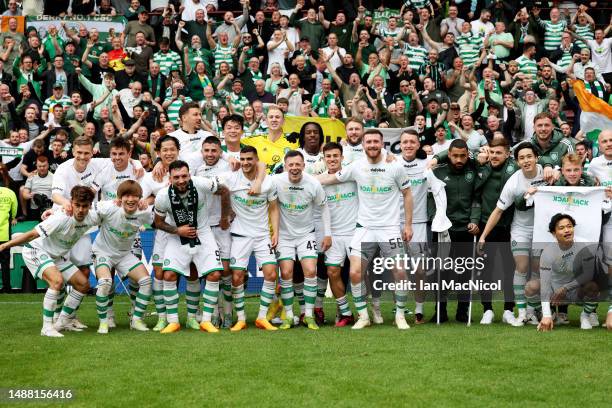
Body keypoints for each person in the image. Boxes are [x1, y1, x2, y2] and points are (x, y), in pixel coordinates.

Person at [318, 130, 413, 330]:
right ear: (363, 145)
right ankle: (363, 316)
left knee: (400, 272)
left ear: (382, 143)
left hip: (390, 229)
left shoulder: (394, 166)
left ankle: (401, 315)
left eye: (375, 142)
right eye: (368, 141)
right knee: (355, 273)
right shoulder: (356, 166)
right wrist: (302, 179)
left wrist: (408, 225)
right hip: (364, 228)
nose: (372, 145)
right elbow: (330, 178)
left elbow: (407, 194)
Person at [0, 186, 97, 337]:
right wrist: (6, 245)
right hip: (36, 250)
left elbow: (112, 208)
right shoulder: (61, 218)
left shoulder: (93, 216)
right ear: (71, 202)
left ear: (90, 205)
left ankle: (63, 321)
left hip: (57, 256)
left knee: (83, 284)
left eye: (85, 206)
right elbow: (32, 234)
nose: (80, 210)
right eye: (77, 205)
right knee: (57, 282)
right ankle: (47, 327)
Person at [153, 160, 230, 334]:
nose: (181, 180)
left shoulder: (202, 183)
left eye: (184, 176)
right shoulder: (163, 196)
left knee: (215, 274)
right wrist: (176, 230)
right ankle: (173, 321)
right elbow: (157, 222)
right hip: (177, 235)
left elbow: (224, 191)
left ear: (189, 174)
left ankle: (205, 320)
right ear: (170, 178)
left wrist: (225, 217)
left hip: (202, 232)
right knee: (169, 274)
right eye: (176, 177)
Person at [479, 142, 548, 326]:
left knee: (536, 270)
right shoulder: (514, 181)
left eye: (529, 156)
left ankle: (534, 311)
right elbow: (498, 210)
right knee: (522, 267)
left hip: (543, 229)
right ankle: (522, 312)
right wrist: (484, 235)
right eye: (522, 158)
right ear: (517, 161)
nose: (526, 161)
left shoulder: (547, 172)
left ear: (536, 158)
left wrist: (555, 171)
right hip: (521, 229)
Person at [223, 146, 280, 331]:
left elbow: (273, 208)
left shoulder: (268, 182)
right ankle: (240, 318)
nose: (246, 163)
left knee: (271, 273)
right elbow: (218, 193)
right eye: (243, 159)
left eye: (249, 159)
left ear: (256, 160)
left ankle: (262, 317)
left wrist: (275, 232)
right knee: (237, 276)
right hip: (240, 235)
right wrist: (226, 213)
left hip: (263, 234)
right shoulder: (231, 179)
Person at [272, 150, 331, 330]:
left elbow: (324, 207)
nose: (295, 168)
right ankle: (289, 316)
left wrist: (327, 233)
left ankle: (309, 315)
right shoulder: (276, 181)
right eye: (291, 165)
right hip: (285, 235)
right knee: (287, 273)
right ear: (285, 166)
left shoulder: (313, 183)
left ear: (304, 166)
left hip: (306, 234)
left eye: (298, 164)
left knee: (311, 271)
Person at [92, 180, 153, 334]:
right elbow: (84, 209)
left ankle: (136, 319)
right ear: (119, 198)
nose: (131, 199)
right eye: (126, 196)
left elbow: (161, 220)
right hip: (103, 252)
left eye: (135, 196)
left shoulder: (144, 212)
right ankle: (104, 322)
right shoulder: (108, 207)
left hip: (124, 254)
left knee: (145, 281)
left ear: (140, 198)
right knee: (105, 282)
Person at [534, 214, 599, 332]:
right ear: (554, 233)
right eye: (561, 228)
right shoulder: (548, 252)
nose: (567, 230)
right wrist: (547, 315)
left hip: (575, 291)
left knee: (593, 286)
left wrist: (565, 288)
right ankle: (548, 314)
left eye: (569, 226)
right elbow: (545, 284)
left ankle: (584, 316)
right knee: (531, 287)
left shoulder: (584, 245)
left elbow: (588, 274)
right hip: (553, 292)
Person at [320, 142, 356, 327]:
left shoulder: (352, 175)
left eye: (336, 156)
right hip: (332, 235)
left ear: (342, 157)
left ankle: (365, 312)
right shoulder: (317, 181)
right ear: (324, 158)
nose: (332, 159)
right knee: (332, 272)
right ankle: (346, 312)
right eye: (329, 156)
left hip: (354, 232)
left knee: (358, 273)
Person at [0, 179, 16, 294]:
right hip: (4, 233)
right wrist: (13, 217)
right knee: (5, 262)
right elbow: (14, 209)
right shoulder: (10, 192)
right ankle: (7, 287)